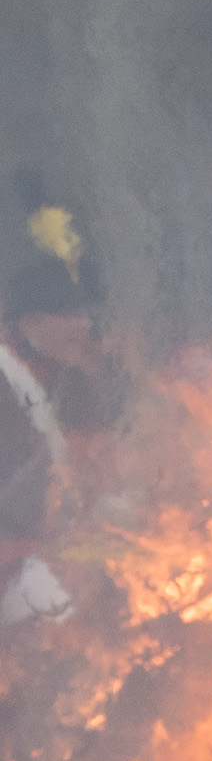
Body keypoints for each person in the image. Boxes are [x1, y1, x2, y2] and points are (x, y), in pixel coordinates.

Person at [1, 256, 94, 626]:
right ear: (31, 322)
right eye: (70, 314)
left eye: (85, 312)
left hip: (46, 549)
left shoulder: (64, 378)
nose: (86, 323)